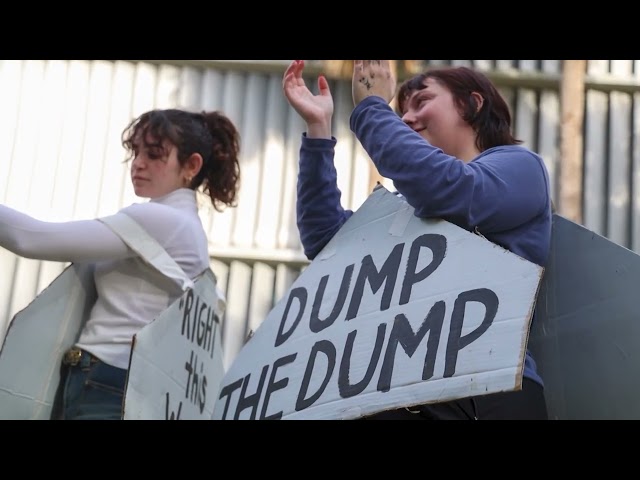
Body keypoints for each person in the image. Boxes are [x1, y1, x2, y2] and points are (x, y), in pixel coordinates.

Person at [282, 59, 551, 420]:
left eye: (421, 101)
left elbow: (445, 188)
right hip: (405, 390)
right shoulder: (408, 209)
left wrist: (371, 109)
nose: (406, 119)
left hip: (488, 393)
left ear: (473, 103)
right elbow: (327, 242)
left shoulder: (519, 167)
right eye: (401, 110)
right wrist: (318, 129)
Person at [0, 108, 241, 420]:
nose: (138, 163)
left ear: (191, 165)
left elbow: (30, 238)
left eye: (154, 154)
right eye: (135, 151)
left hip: (107, 383)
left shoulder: (164, 221)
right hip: (111, 382)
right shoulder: (184, 226)